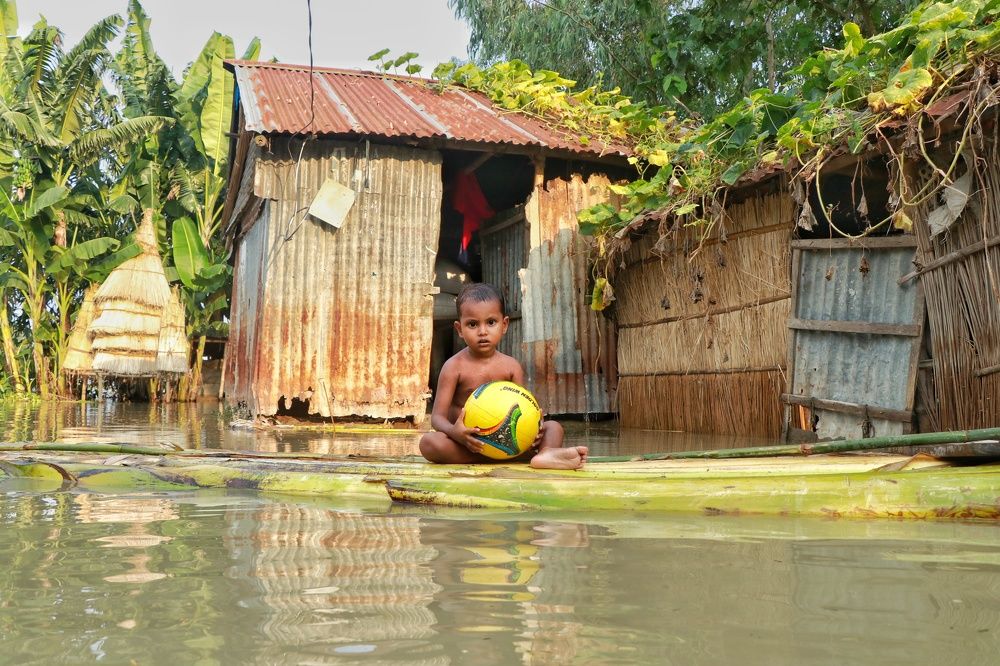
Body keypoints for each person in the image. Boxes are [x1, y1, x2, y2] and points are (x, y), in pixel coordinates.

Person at [419, 282, 588, 470]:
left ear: (504, 324)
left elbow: (524, 407)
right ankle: (509, 457)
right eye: (472, 324)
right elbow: (437, 418)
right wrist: (456, 433)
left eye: (491, 322)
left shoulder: (511, 367)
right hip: (468, 444)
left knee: (553, 427)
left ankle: (546, 452)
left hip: (509, 441)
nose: (482, 331)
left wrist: (535, 426)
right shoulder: (453, 367)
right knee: (428, 443)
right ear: (459, 329)